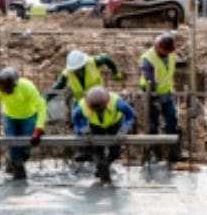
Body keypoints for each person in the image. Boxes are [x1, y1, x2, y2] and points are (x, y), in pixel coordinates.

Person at [49, 49, 123, 161]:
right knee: (78, 121)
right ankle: (85, 149)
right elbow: (57, 87)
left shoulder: (94, 62)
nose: (76, 71)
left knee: (101, 123)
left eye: (78, 69)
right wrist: (45, 98)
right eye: (74, 70)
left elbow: (107, 59)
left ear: (83, 65)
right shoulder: (67, 73)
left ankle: (104, 148)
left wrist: (116, 72)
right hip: (81, 101)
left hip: (98, 99)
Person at [0, 66, 47, 181]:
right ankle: (17, 168)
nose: (6, 93)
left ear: (14, 85)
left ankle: (12, 161)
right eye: (4, 91)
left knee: (26, 147)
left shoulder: (27, 87)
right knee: (12, 142)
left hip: (28, 117)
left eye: (8, 90)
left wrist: (39, 128)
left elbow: (41, 107)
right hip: (10, 118)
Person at [71, 86, 137, 183]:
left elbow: (130, 115)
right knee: (98, 152)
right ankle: (104, 176)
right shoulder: (82, 106)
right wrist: (83, 130)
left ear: (106, 104)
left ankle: (105, 166)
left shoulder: (116, 102)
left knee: (115, 151)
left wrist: (124, 129)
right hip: (95, 126)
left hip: (114, 123)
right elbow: (75, 121)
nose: (97, 112)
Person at [139, 32, 182, 162]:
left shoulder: (171, 54)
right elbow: (148, 79)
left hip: (167, 93)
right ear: (158, 47)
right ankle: (154, 153)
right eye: (166, 51)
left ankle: (173, 152)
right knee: (152, 125)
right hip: (151, 94)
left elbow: (172, 65)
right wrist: (154, 97)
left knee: (172, 121)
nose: (168, 54)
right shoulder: (148, 59)